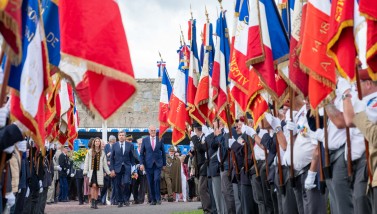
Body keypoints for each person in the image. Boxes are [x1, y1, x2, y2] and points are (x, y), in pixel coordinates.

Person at [139, 125, 166, 205]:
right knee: (150, 182)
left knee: (156, 179)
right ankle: (153, 199)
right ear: (149, 131)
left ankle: (158, 199)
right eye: (152, 130)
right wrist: (141, 164)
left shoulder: (160, 139)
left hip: (158, 164)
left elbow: (163, 153)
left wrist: (164, 164)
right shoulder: (145, 140)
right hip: (148, 165)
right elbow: (141, 154)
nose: (153, 132)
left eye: (154, 130)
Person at [110, 131, 136, 207]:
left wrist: (133, 169)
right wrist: (112, 169)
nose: (121, 136)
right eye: (120, 135)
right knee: (117, 185)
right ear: (118, 136)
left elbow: (132, 158)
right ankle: (120, 201)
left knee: (126, 183)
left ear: (125, 137)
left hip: (127, 167)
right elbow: (112, 158)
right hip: (117, 168)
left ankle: (126, 199)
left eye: (123, 135)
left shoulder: (130, 145)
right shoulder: (114, 145)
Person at [83, 137, 111, 209]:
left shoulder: (103, 153)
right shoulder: (89, 152)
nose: (97, 143)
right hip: (92, 172)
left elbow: (105, 164)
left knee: (97, 188)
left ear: (100, 143)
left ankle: (95, 202)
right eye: (96, 141)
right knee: (93, 186)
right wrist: (85, 171)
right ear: (94, 143)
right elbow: (86, 162)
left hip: (99, 172)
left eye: (98, 141)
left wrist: (109, 172)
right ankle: (93, 202)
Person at [191, 122, 212, 214]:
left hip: (205, 164)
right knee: (202, 188)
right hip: (201, 165)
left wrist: (194, 138)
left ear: (196, 129)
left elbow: (201, 148)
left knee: (202, 188)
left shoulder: (204, 137)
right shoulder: (200, 138)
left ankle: (207, 209)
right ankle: (205, 206)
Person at [133, 137, 148, 204]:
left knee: (143, 185)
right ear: (137, 144)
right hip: (135, 171)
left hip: (143, 171)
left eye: (141, 144)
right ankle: (136, 199)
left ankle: (141, 199)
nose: (140, 145)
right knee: (134, 185)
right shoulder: (134, 152)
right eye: (139, 144)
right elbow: (132, 162)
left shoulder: (146, 152)